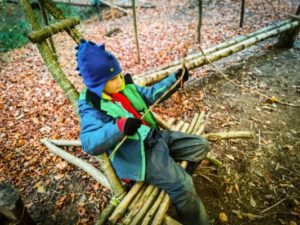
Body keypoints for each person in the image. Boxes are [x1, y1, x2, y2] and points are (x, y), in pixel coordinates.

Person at [76, 39, 210, 225]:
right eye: (113, 79)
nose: (120, 81)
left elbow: (149, 95)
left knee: (200, 146)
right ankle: (189, 207)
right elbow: (89, 142)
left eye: (120, 75)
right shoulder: (91, 105)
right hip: (140, 154)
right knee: (183, 185)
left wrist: (175, 80)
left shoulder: (124, 86)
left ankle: (173, 181)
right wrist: (119, 127)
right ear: (98, 84)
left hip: (155, 137)